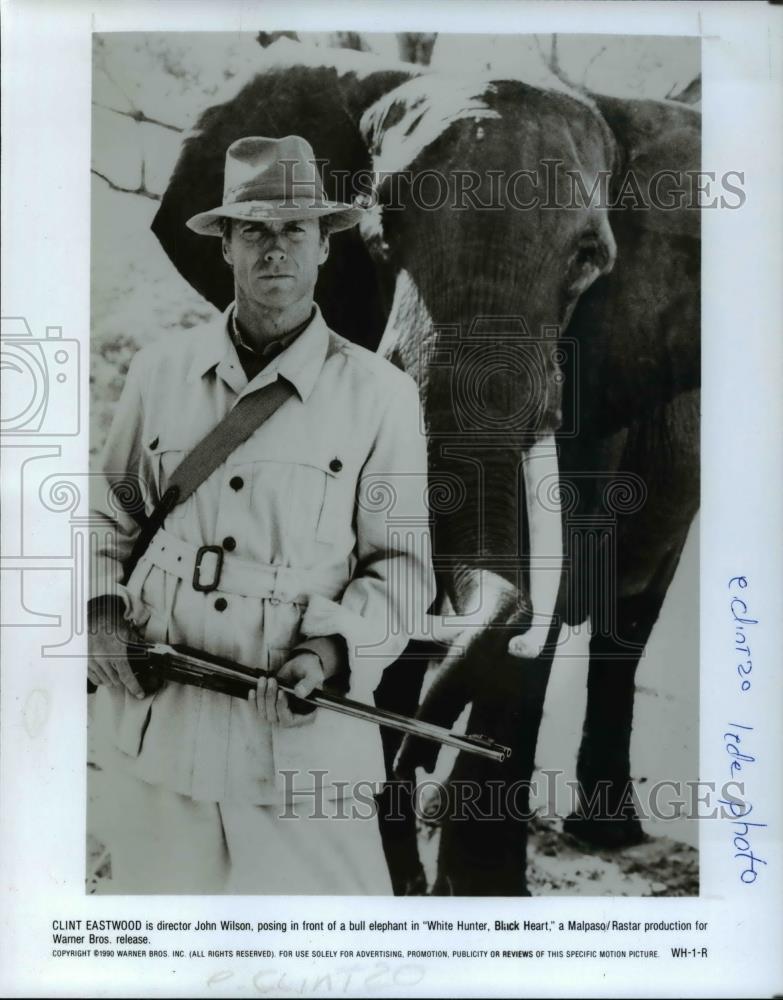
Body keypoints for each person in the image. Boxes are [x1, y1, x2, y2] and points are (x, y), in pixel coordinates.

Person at [87, 135, 436, 894]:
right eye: (255, 230)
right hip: (162, 724)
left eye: (294, 231)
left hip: (300, 736)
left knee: (322, 957)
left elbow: (402, 573)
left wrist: (333, 654)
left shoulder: (379, 395)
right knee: (165, 951)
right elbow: (105, 519)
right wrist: (101, 611)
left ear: (322, 249)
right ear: (226, 247)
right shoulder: (161, 371)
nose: (274, 249)